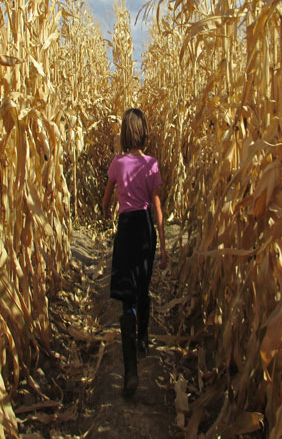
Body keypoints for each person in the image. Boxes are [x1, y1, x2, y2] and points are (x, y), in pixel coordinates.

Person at [102, 108, 168, 397]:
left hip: (126, 228)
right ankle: (143, 339)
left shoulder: (117, 163)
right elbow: (157, 207)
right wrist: (162, 245)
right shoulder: (151, 164)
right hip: (145, 229)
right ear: (144, 133)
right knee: (143, 286)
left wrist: (106, 211)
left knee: (127, 296)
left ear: (124, 134)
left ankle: (130, 371)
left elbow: (107, 198)